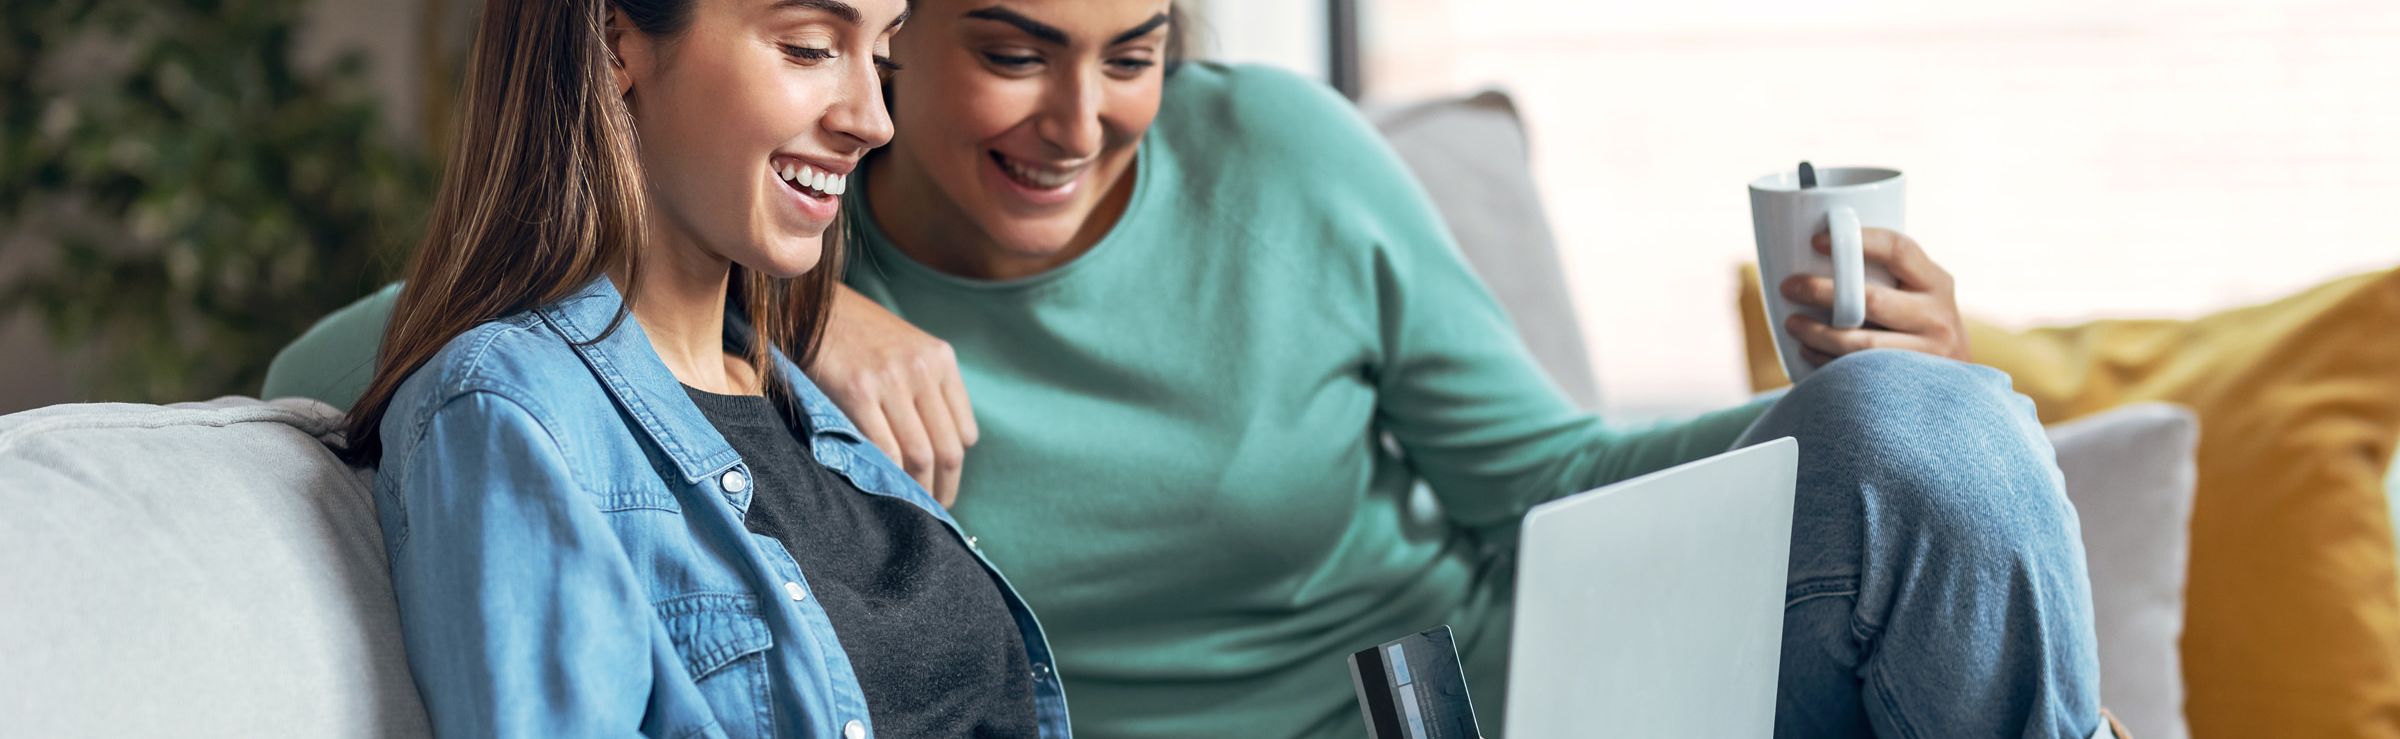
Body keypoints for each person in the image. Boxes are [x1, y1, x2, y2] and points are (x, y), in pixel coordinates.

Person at [272, 1, 2102, 736]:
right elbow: (386, 363)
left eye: (1133, 52)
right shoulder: (753, 296)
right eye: (1011, 53)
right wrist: (810, 308)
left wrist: (1826, 419)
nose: (1080, 123)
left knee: (1925, 427)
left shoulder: (1286, 160)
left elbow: (1545, 477)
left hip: (1522, 690)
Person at [331, 0, 1066, 735]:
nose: (874, 121)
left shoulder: (797, 392)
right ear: (614, 44)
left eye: (881, 59)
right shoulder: (506, 414)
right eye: (809, 47)